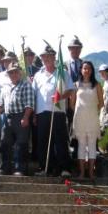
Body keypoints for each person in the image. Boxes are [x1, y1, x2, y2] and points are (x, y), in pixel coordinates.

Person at [32, 42, 75, 177]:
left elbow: (71, 90)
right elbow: (33, 95)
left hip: (58, 111)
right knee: (43, 141)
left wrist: (61, 96)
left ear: (54, 57)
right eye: (44, 57)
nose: (46, 59)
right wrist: (33, 114)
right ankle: (45, 168)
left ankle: (64, 168)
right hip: (41, 112)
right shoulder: (38, 75)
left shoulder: (62, 73)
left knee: (60, 140)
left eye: (49, 56)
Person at [0, 62, 34, 176]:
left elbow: (29, 104)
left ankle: (20, 169)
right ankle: (4, 168)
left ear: (20, 73)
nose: (14, 74)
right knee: (4, 144)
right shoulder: (5, 88)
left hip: (21, 117)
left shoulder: (26, 85)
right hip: (7, 118)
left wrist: (26, 117)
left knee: (21, 145)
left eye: (16, 72)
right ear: (8, 74)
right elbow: (1, 105)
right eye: (11, 72)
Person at [73, 61, 103, 179]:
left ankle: (90, 173)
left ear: (92, 70)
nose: (87, 70)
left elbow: (101, 102)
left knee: (91, 145)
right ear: (81, 70)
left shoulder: (97, 85)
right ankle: (81, 173)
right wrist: (81, 110)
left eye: (89, 68)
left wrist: (91, 110)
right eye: (85, 68)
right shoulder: (76, 85)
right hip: (80, 118)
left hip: (92, 118)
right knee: (81, 145)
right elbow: (72, 103)